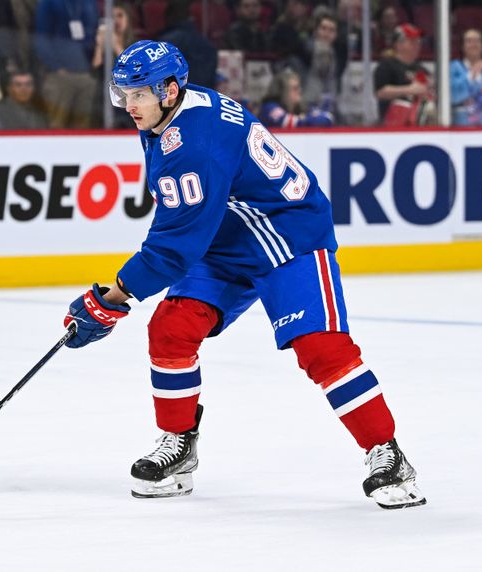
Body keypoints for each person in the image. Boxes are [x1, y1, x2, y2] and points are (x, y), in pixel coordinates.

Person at [62, 40, 427, 509]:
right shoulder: (170, 112)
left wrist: (112, 297)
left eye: (139, 94)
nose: (129, 106)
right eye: (123, 94)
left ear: (170, 90)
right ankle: (177, 447)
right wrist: (121, 293)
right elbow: (183, 225)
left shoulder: (193, 144)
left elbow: (174, 247)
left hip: (287, 233)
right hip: (229, 237)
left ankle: (387, 452)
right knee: (172, 329)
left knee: (321, 347)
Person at [34, 0, 97, 128]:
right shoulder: (49, 3)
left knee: (82, 125)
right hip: (59, 75)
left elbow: (92, 33)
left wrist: (90, 66)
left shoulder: (89, 3)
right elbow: (41, 38)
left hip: (84, 73)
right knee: (56, 124)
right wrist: (56, 67)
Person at [373, 23, 433, 126]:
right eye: (412, 41)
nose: (417, 45)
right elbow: (381, 92)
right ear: (398, 44)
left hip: (419, 123)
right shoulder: (387, 66)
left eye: (418, 41)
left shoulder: (423, 70)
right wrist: (410, 90)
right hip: (392, 126)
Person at [259, 69, 334, 127]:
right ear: (282, 91)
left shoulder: (300, 107)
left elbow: (328, 117)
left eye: (299, 87)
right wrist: (303, 118)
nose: (299, 91)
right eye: (295, 88)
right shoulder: (269, 108)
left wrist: (303, 118)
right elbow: (291, 122)